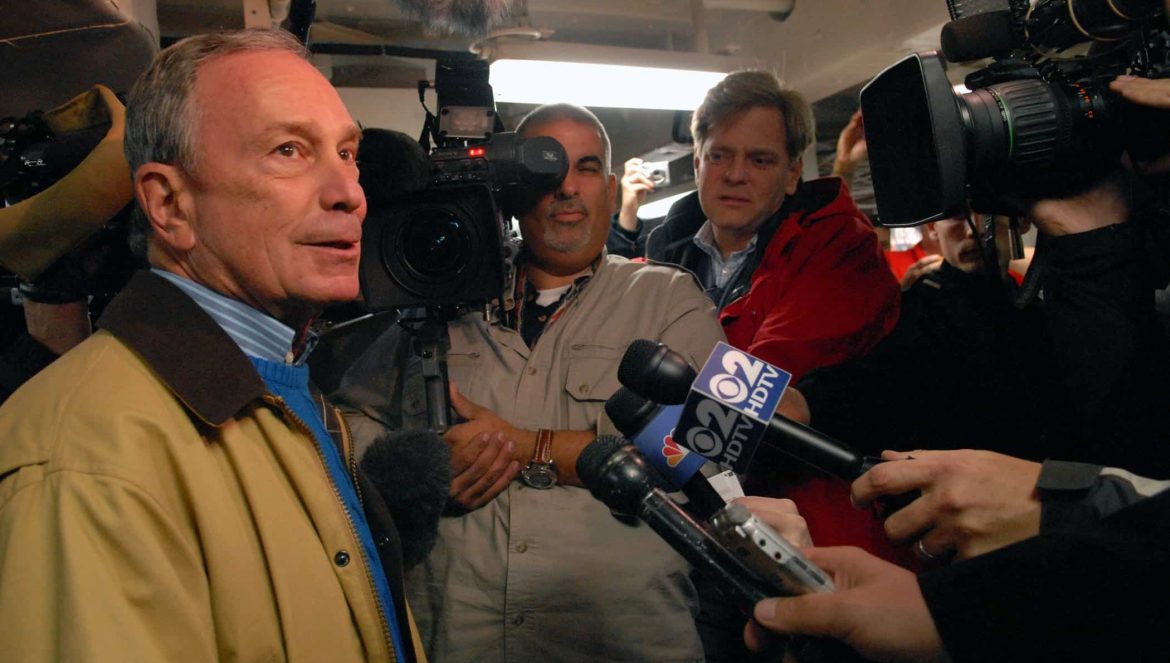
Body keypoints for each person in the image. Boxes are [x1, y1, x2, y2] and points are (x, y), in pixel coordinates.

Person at [0, 29, 426, 662]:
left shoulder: (282, 387)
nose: (350, 194)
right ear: (170, 204)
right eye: (289, 151)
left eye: (347, 153)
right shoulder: (87, 456)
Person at [744, 73, 1170, 662]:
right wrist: (804, 402)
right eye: (948, 217)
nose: (960, 230)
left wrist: (1071, 504)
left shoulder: (1047, 296)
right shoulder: (938, 306)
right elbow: (889, 378)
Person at [333, 103, 725, 662]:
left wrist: (526, 446)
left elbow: (703, 447)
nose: (566, 188)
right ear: (512, 194)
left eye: (587, 169)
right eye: (547, 171)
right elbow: (347, 421)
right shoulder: (434, 296)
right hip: (456, 638)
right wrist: (418, 469)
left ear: (612, 192)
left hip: (617, 641)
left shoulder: (668, 300)